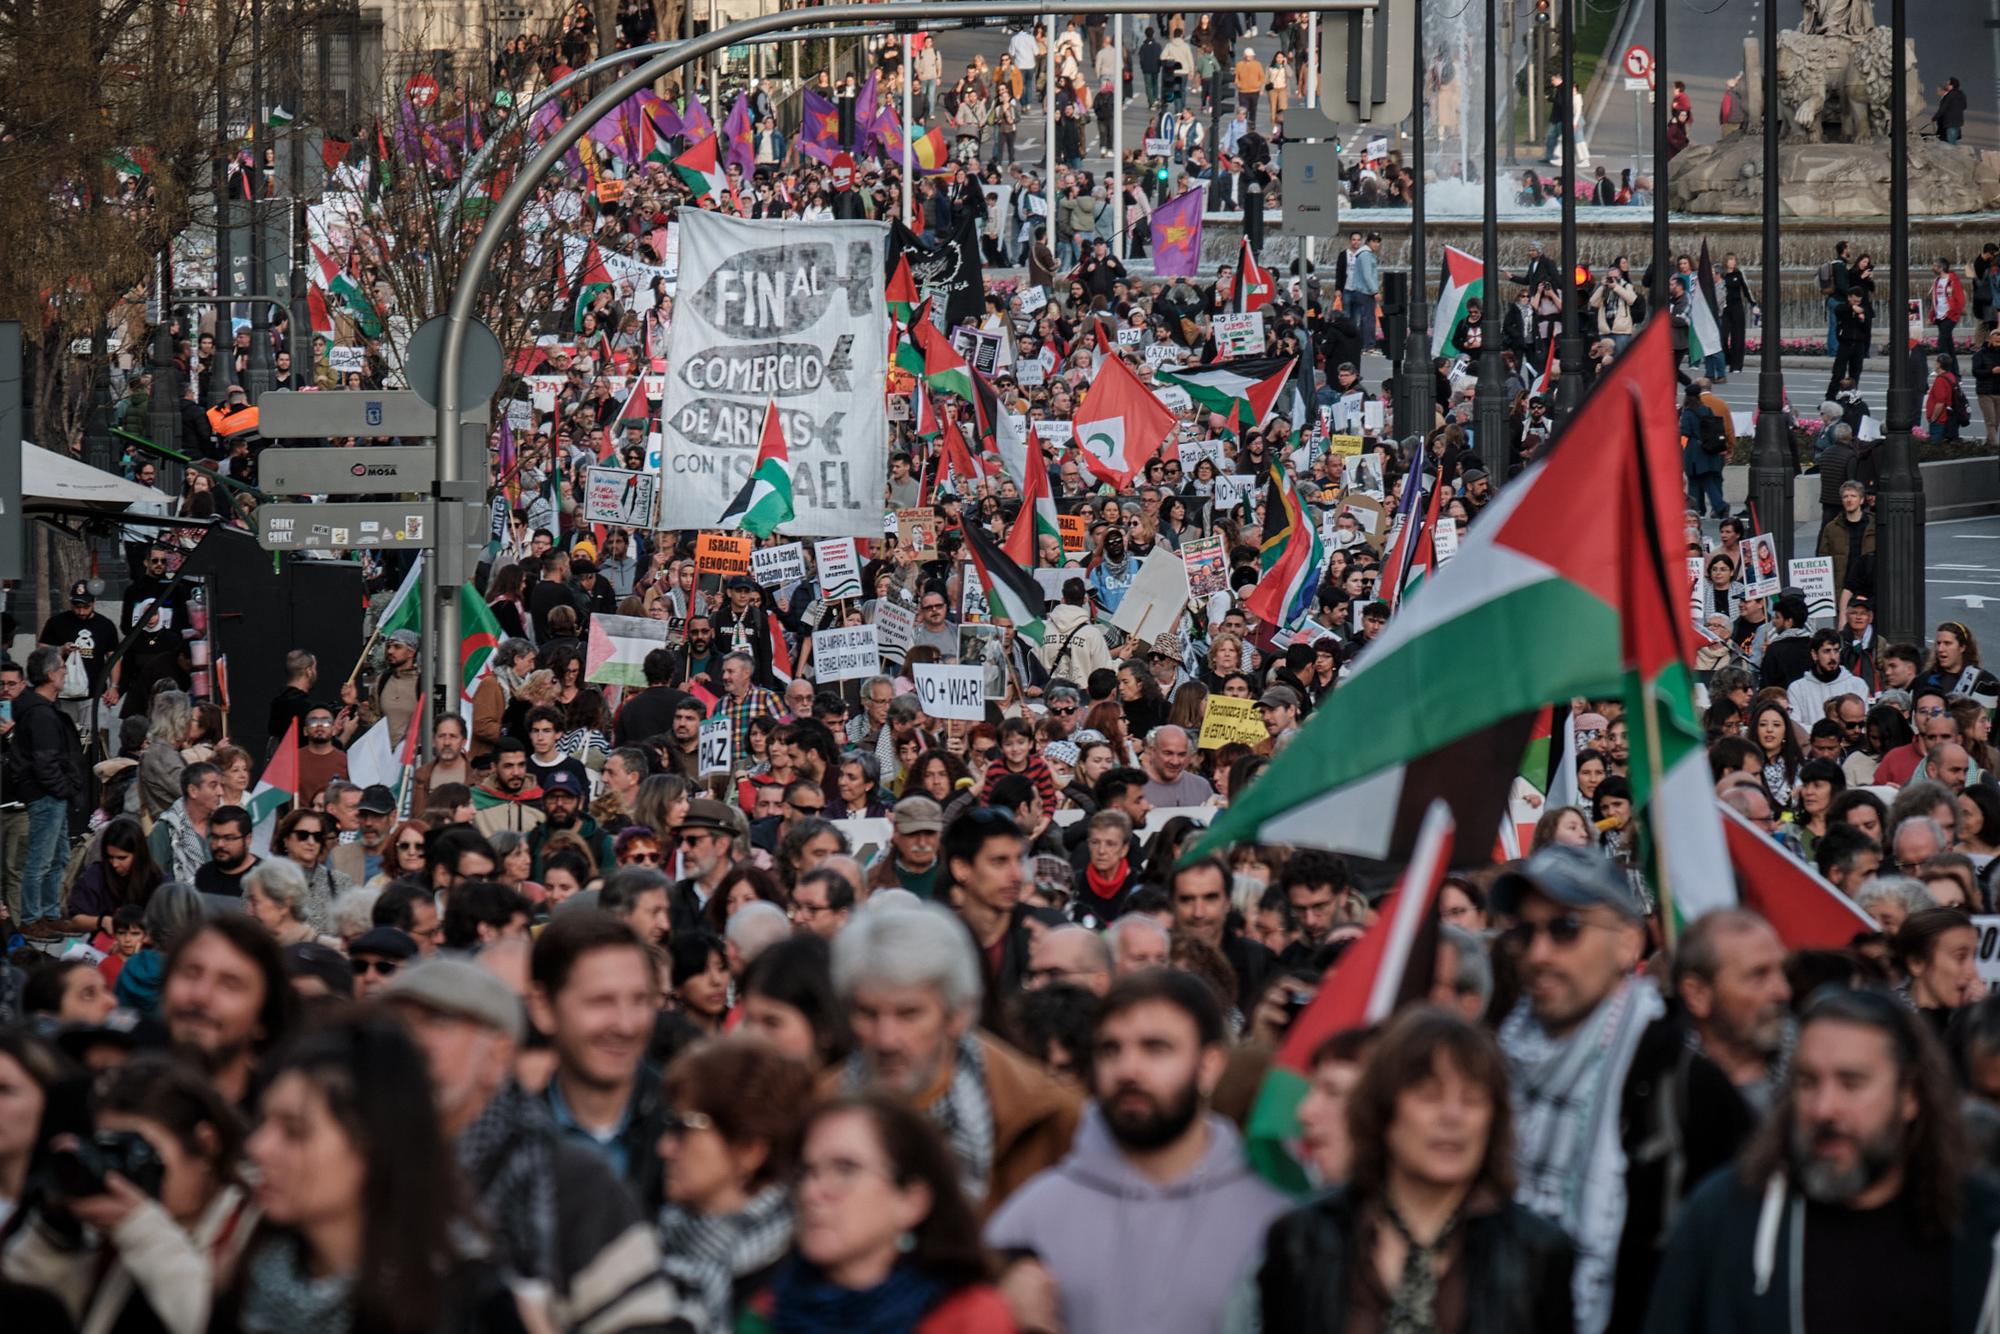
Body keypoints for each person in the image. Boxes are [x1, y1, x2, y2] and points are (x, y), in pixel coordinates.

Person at [1492, 845, 1748, 1334]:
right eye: (1525, 932)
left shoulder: (1681, 1077)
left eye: (1565, 929)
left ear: (1629, 943)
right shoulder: (1495, 1064)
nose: (1538, 954)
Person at [1643, 987, 2000, 1334]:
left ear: (1909, 1095)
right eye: (1808, 1082)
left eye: (1851, 1083)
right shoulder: (1721, 1219)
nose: (1824, 1108)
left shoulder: (1983, 1233)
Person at [987, 969, 1290, 1334]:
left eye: (1155, 1048)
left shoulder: (1275, 1220)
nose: (1128, 1070)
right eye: (1111, 1049)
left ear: (1209, 1066)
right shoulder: (1027, 1222)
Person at [385, 954, 677, 1330]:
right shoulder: (358, 1171)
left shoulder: (571, 1183)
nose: (410, 1042)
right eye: (394, 1026)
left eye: (436, 1021)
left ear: (498, 1053)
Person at [1260, 1007, 1579, 1334]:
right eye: (1430, 1096)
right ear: (1384, 1110)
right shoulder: (1303, 1238)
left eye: (1472, 1100)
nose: (1452, 1117)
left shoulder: (1537, 1253)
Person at [217, 1014, 530, 1333]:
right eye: (263, 1123)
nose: (258, 1147)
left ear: (375, 1145)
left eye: (295, 1131)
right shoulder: (248, 1281)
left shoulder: (463, 1305)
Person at [832, 901, 1079, 1215]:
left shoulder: (1043, 1114)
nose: (886, 1039)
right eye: (867, 1014)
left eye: (909, 1014)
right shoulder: (818, 1106)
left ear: (958, 1013)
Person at [0, 1053, 258, 1333]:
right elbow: (26, 1314)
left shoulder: (253, 1225)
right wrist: (57, 1232)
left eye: (139, 1152)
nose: (123, 1172)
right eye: (111, 1150)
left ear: (206, 1145)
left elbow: (219, 1323)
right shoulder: (117, 1226)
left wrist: (143, 1229)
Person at [774, 1092, 1016, 1330]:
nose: (811, 1192)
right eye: (806, 1172)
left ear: (912, 1202)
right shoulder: (769, 1309)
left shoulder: (967, 1318)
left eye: (845, 1169)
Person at [653, 1036, 815, 1330]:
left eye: (684, 1128)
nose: (665, 1147)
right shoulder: (647, 1244)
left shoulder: (801, 1275)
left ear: (749, 1149)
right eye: (668, 1125)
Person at [530, 911, 667, 1209]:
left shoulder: (690, 1124)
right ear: (543, 1008)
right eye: (601, 1002)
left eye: (640, 1000)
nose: (626, 1025)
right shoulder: (501, 1142)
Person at [10, 646, 85, 939]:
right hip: (45, 795)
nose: (66, 673)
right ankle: (32, 918)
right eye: (62, 669)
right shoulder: (40, 714)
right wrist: (63, 788)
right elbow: (45, 761)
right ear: (52, 674)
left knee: (58, 857)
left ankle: (50, 913)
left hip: (50, 794)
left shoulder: (39, 710)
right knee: (41, 859)